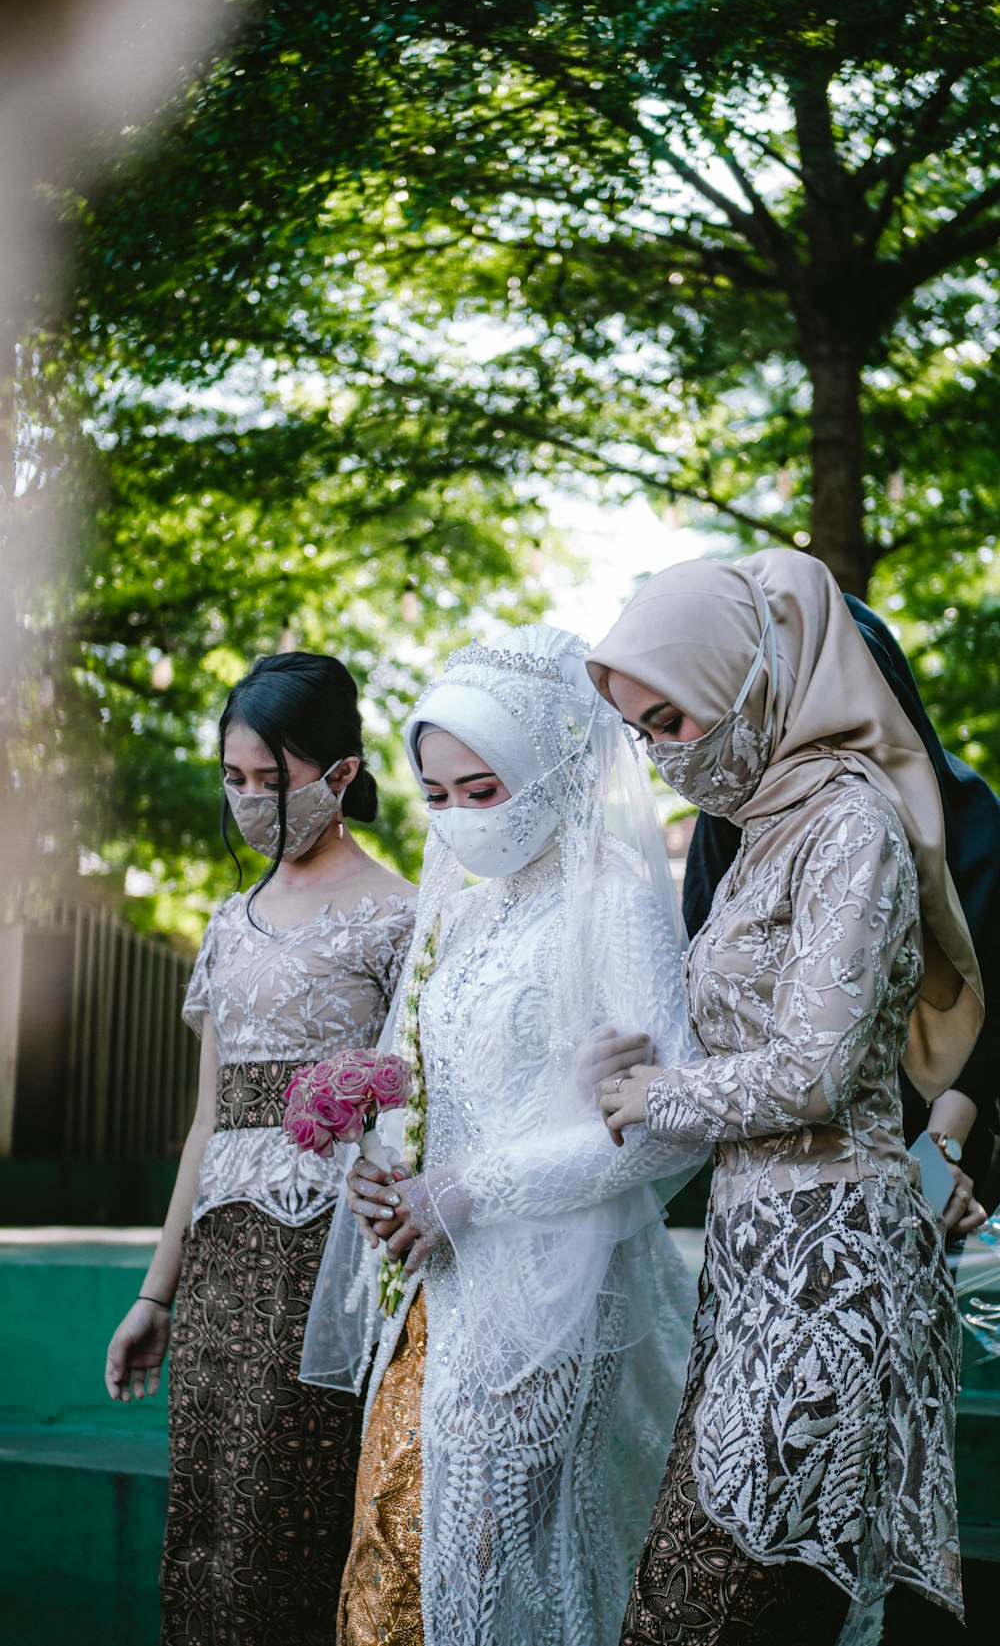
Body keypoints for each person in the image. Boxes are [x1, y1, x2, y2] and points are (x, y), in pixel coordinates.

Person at [589, 549, 984, 1643]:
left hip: (835, 1261)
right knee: (706, 1603)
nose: (662, 752)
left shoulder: (850, 821)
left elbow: (813, 1068)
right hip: (751, 1255)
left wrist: (654, 1091)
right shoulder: (759, 825)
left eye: (671, 718)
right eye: (641, 729)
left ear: (747, 678)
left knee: (713, 1610)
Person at [302, 625, 707, 1646]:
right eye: (435, 797)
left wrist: (472, 1187)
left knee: (507, 1561)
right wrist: (389, 1168)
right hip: (442, 1286)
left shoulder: (613, 896)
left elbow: (666, 1127)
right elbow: (434, 1088)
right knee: (404, 1553)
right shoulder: (468, 921)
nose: (457, 821)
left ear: (550, 763)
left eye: (480, 790)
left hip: (560, 1288)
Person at [104, 651, 416, 1646]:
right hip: (221, 1275)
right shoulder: (225, 924)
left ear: (338, 774)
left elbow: (421, 1097)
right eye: (232, 779)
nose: (248, 799)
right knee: (208, 1520)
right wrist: (158, 1292)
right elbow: (208, 1120)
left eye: (268, 780)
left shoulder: (403, 914)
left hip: (329, 1260)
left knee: (295, 1520)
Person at [683, 592, 1000, 1223]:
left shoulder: (969, 815)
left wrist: (946, 1143)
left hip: (942, 1126)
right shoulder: (731, 817)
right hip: (776, 1149)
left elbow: (989, 983)